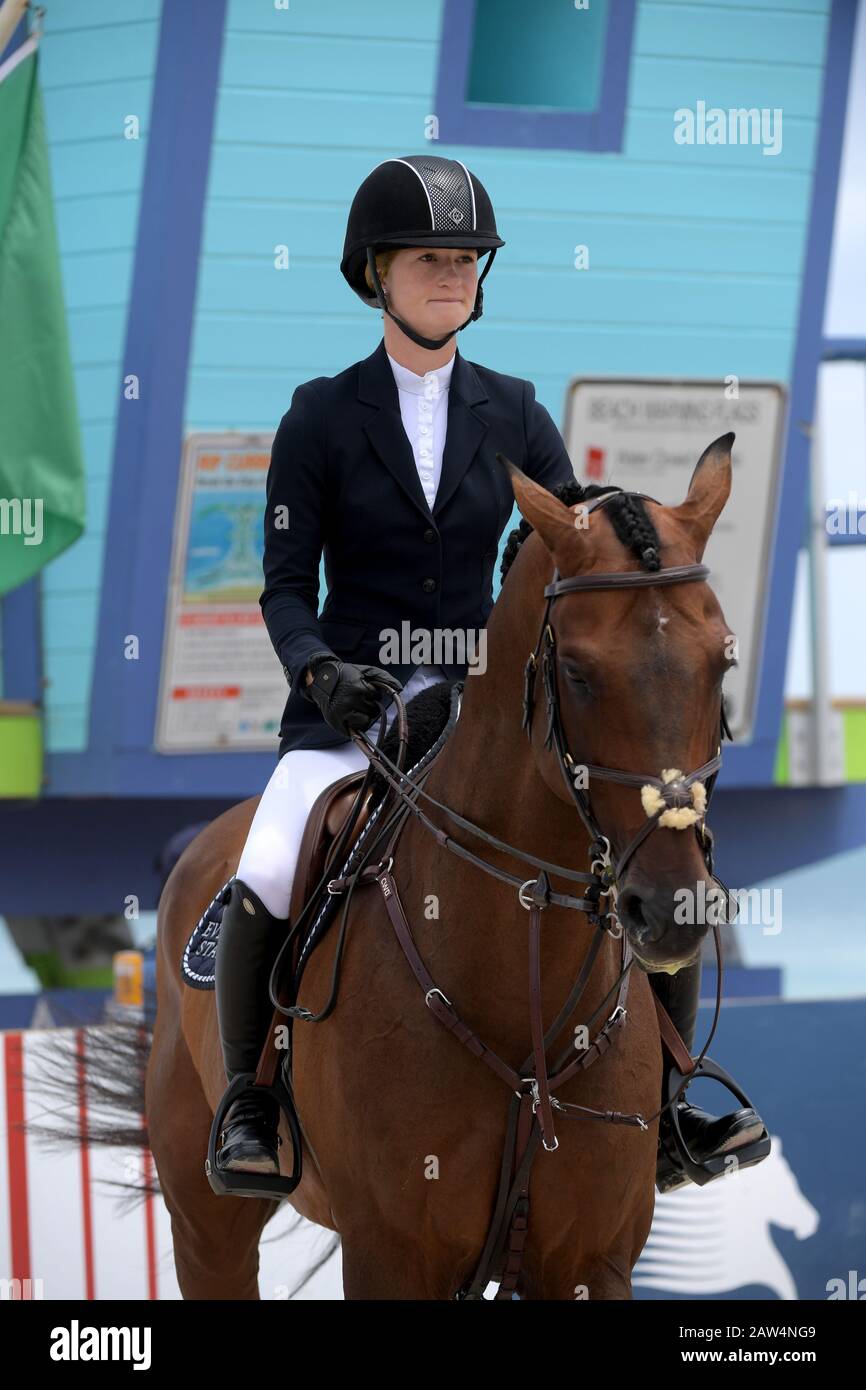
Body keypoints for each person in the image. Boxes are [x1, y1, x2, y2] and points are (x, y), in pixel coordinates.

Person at [213, 154, 766, 1191]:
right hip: (356, 708)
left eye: (467, 261)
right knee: (272, 858)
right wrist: (321, 670)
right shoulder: (320, 418)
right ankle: (250, 1099)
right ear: (375, 272)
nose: (452, 277)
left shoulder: (511, 409)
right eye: (430, 259)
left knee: (649, 843)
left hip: (479, 704)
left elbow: (571, 542)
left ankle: (668, 1105)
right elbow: (284, 588)